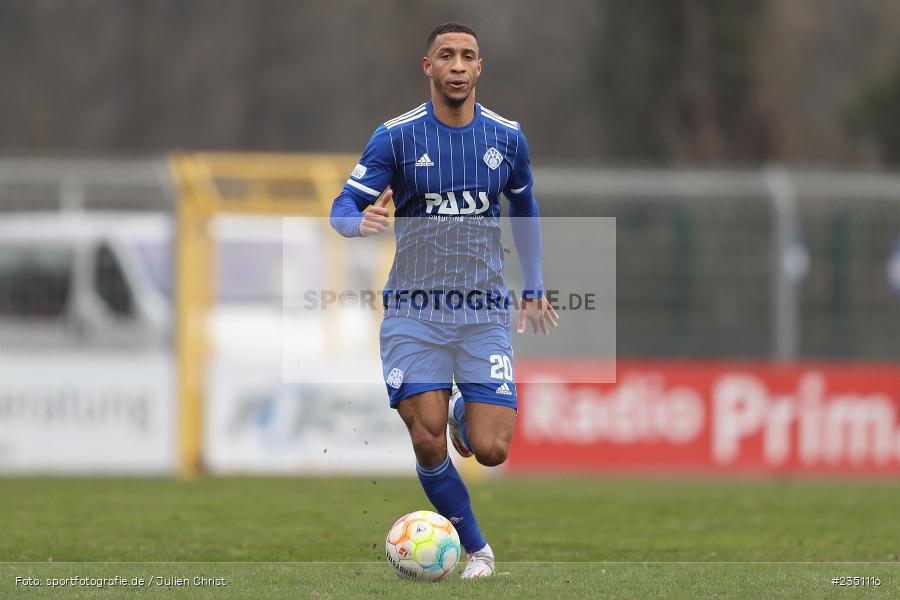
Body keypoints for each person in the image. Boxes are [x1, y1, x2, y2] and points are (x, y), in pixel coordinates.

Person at [330, 22, 558, 578]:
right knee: (427, 440)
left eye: (468, 56)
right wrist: (360, 222)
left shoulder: (506, 138)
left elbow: (524, 211)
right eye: (446, 56)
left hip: (482, 311)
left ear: (480, 68)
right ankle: (478, 549)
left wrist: (533, 285)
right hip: (413, 311)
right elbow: (341, 207)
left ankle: (465, 415)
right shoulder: (397, 138)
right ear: (427, 67)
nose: (458, 65)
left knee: (493, 449)